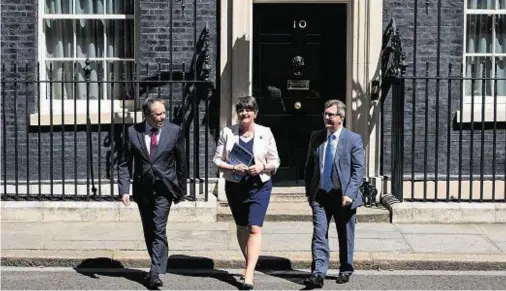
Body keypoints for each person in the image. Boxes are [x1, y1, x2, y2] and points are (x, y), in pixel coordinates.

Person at [117, 96, 188, 289]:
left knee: (158, 227)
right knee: (149, 229)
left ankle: (155, 272)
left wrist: (181, 189)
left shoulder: (174, 131)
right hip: (143, 188)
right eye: (158, 114)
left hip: (165, 188)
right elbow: (123, 163)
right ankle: (156, 264)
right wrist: (124, 189)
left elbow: (182, 163)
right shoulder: (132, 132)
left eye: (164, 112)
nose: (163, 117)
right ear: (148, 115)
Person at [213, 95, 280, 290]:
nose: (244, 113)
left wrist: (262, 167)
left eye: (248, 110)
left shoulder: (265, 133)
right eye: (241, 110)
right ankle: (248, 261)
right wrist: (233, 168)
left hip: (259, 186)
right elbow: (217, 160)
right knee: (242, 227)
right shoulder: (228, 133)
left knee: (254, 228)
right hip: (235, 186)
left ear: (255, 113)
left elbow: (275, 161)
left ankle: (249, 274)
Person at [303, 99, 365, 288]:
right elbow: (310, 166)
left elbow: (358, 170)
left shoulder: (353, 139)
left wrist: (350, 194)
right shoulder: (317, 136)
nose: (327, 117)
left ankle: (345, 268)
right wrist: (309, 193)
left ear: (341, 117)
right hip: (320, 194)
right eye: (325, 114)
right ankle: (318, 273)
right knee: (319, 234)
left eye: (331, 114)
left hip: (343, 196)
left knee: (345, 234)